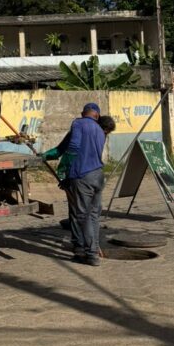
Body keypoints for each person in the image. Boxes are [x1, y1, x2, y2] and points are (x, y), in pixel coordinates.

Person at [43, 103, 106, 265]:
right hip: (98, 176)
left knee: (82, 216)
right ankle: (84, 250)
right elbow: (61, 148)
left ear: (83, 113)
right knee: (93, 216)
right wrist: (46, 155)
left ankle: (91, 254)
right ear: (97, 116)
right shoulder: (100, 130)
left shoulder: (78, 123)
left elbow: (72, 147)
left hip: (82, 176)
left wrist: (64, 169)